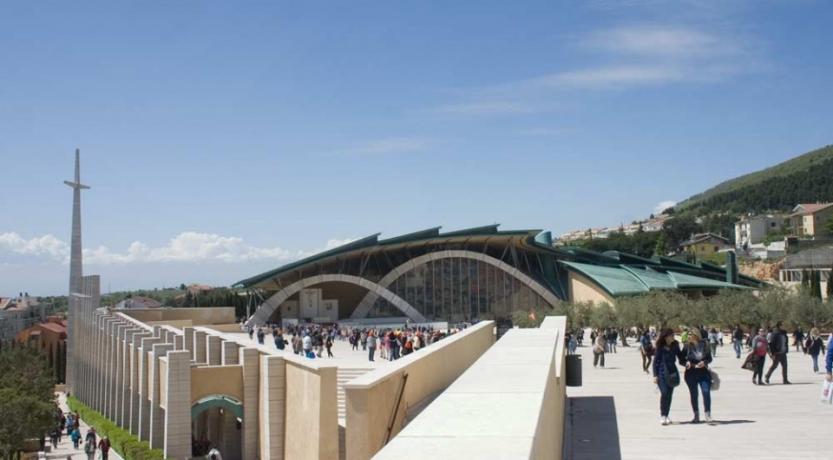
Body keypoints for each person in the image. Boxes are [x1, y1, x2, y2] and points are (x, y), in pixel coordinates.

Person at [681, 328, 713, 423]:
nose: (689, 336)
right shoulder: (686, 346)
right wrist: (686, 363)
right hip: (690, 373)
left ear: (696, 335)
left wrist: (704, 362)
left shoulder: (705, 345)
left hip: (703, 372)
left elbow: (709, 358)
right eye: (688, 334)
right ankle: (696, 415)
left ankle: (707, 414)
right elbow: (681, 359)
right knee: (694, 394)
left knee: (706, 392)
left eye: (690, 334)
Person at [653, 328, 682, 426]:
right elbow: (655, 362)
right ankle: (662, 415)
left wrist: (687, 362)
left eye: (673, 335)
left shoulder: (675, 345)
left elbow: (680, 357)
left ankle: (666, 415)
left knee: (669, 395)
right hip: (661, 373)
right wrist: (655, 375)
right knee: (664, 393)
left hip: (672, 373)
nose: (673, 337)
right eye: (672, 335)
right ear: (666, 337)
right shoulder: (660, 347)